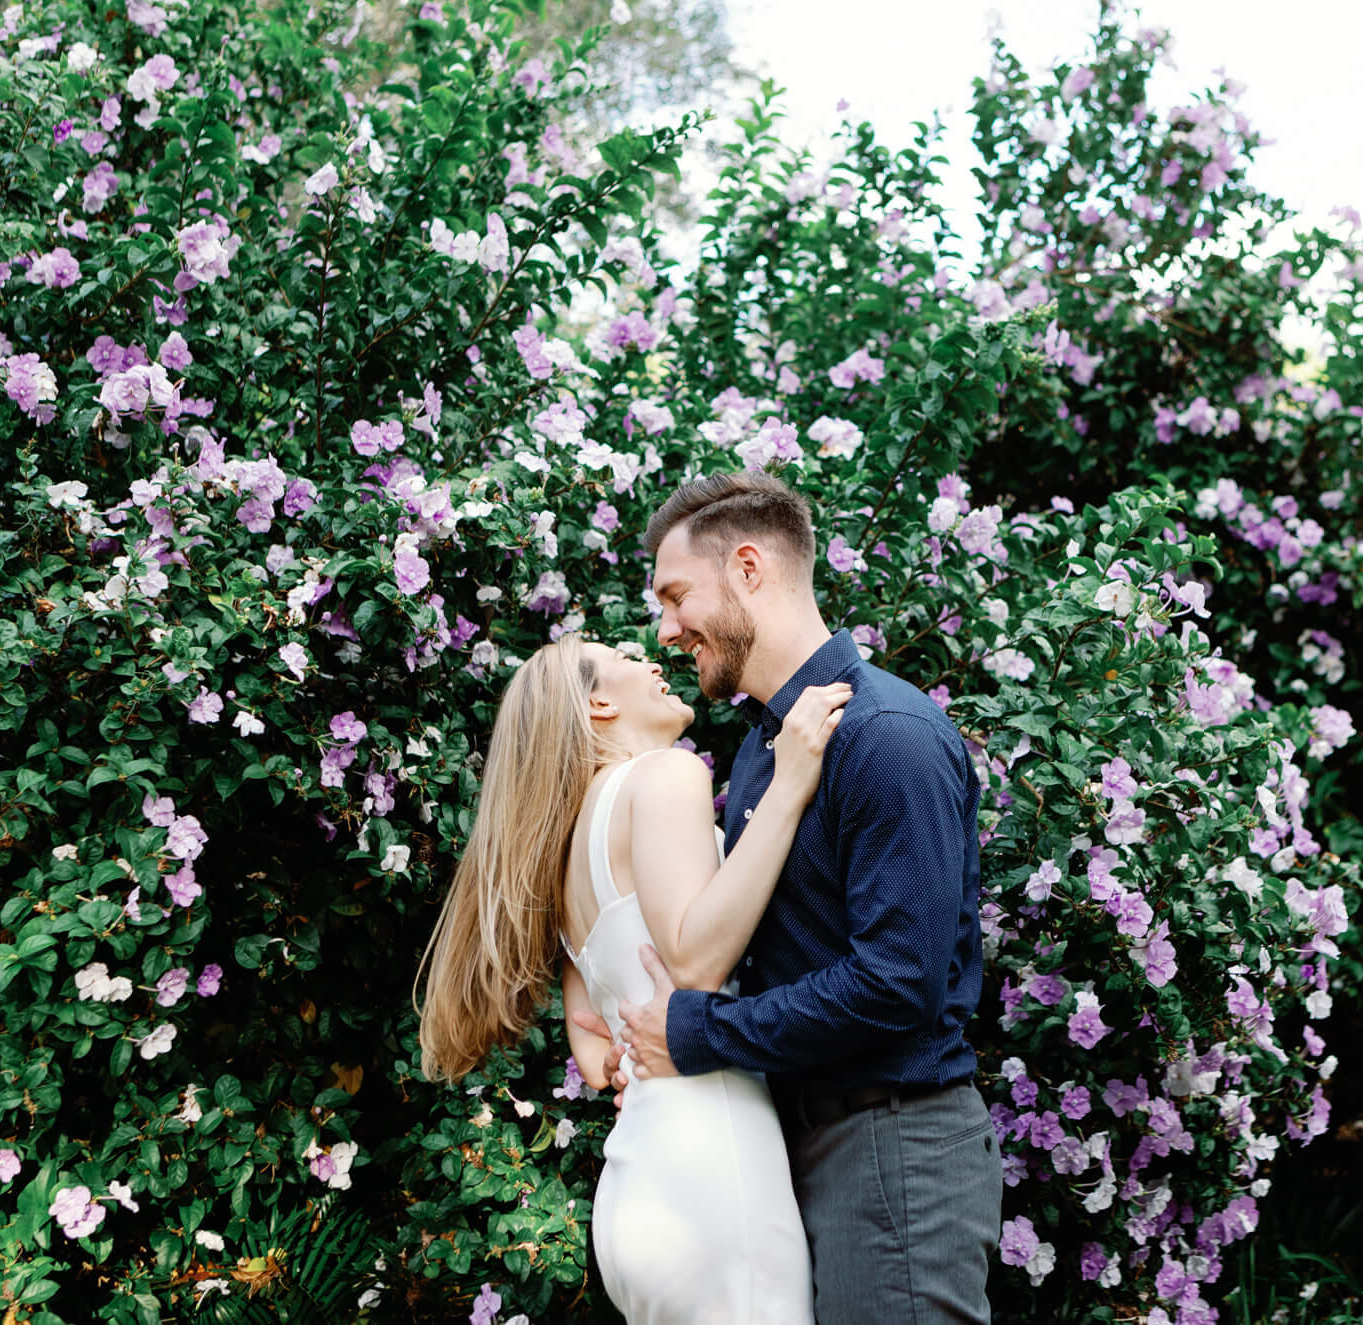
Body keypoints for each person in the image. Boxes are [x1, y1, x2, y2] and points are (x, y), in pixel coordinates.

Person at [580, 469, 1001, 1323]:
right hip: (800, 1143)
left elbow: (896, 983)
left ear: (746, 568)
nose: (665, 631)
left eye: (675, 596)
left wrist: (697, 1035)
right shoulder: (762, 760)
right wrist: (628, 1035)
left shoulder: (887, 736)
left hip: (896, 1145)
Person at [414, 627, 852, 1324]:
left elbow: (596, 1057)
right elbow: (696, 963)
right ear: (598, 706)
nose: (651, 659)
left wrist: (630, 1051)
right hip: (713, 1155)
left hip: (637, 1186)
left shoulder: (565, 859)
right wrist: (791, 782)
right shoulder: (665, 775)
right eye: (622, 660)